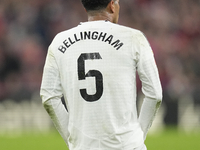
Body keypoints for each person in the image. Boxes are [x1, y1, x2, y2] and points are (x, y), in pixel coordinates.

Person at [40, 0, 162, 150]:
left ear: (85, 7)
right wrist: (137, 137)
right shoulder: (133, 38)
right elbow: (155, 94)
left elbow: (49, 97)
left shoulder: (59, 42)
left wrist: (74, 140)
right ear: (112, 5)